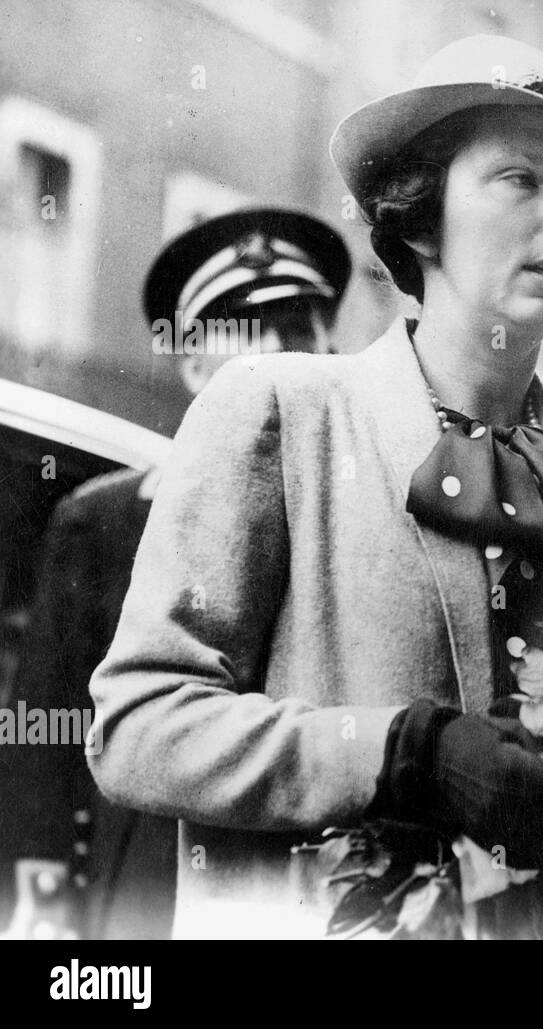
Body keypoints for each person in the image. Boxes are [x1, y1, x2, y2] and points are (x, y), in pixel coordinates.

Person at [87, 34, 543, 938]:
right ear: (416, 217)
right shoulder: (281, 417)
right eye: (521, 179)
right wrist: (399, 754)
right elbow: (137, 730)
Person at [0, 208, 350, 939]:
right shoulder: (106, 518)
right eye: (243, 337)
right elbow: (49, 717)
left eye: (295, 332)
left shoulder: (357, 515)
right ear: (192, 363)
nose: (275, 357)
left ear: (330, 349)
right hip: (149, 878)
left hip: (315, 881)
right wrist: (42, 887)